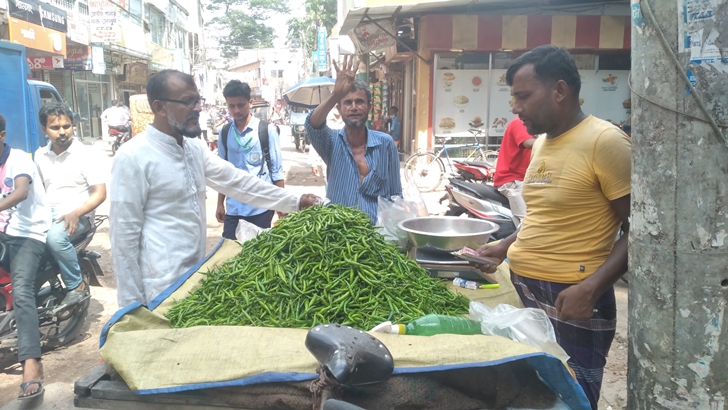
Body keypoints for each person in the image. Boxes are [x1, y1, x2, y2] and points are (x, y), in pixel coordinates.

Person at [473, 46, 630, 409]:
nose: (515, 107)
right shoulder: (543, 142)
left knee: (572, 398)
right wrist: (504, 246)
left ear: (559, 91)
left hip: (573, 299)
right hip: (529, 290)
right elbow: (543, 217)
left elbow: (640, 232)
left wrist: (591, 289)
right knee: (535, 395)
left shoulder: (605, 142)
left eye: (523, 96)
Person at [110, 70, 321, 309]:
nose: (198, 108)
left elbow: (237, 182)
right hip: (158, 287)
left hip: (194, 278)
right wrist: (129, 307)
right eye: (188, 102)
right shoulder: (133, 157)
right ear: (160, 107)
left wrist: (296, 201)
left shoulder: (193, 148)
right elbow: (123, 237)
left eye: (197, 100)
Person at [305, 55, 402, 223]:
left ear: (369, 107)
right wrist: (336, 94)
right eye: (347, 103)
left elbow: (396, 196)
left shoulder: (385, 144)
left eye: (359, 102)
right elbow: (313, 125)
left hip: (376, 237)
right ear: (339, 109)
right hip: (338, 236)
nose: (354, 107)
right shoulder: (331, 142)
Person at [34, 102, 107, 307]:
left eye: (66, 126)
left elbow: (100, 193)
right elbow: (37, 191)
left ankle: (76, 286)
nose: (62, 132)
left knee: (55, 238)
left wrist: (76, 212)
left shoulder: (87, 154)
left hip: (79, 216)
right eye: (55, 128)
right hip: (48, 214)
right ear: (44, 129)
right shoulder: (40, 155)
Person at [0, 114, 52, 400]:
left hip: (27, 232)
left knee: (22, 291)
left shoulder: (19, 159)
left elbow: (21, 191)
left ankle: (31, 364)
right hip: (2, 230)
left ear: (1, 136)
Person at [216, 80, 285, 235]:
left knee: (259, 255)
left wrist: (282, 204)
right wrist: (220, 203)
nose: (236, 110)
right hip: (234, 209)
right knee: (230, 253)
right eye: (231, 106)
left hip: (260, 207)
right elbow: (222, 172)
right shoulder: (225, 133)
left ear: (250, 102)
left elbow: (276, 171)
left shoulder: (266, 131)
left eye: (241, 105)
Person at [493, 118, 536, 224]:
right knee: (529, 223)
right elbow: (528, 143)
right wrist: (556, 142)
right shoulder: (520, 122)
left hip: (526, 179)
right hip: (513, 180)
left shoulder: (535, 126)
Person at [308, 107, 344, 186]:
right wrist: (313, 163)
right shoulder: (324, 119)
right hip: (328, 164)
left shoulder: (349, 120)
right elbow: (316, 140)